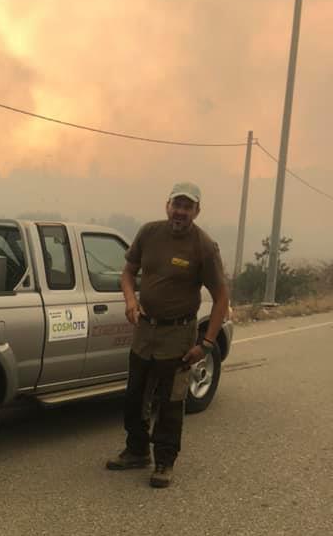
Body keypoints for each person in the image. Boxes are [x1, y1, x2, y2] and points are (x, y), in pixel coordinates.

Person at [105, 182, 229, 488]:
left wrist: (208, 343)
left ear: (196, 211)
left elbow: (222, 297)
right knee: (134, 395)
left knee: (171, 401)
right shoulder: (149, 233)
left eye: (188, 207)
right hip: (145, 332)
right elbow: (127, 273)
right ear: (167, 205)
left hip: (178, 334)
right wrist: (131, 300)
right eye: (177, 204)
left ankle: (164, 461)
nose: (180, 212)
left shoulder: (205, 247)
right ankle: (136, 450)